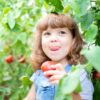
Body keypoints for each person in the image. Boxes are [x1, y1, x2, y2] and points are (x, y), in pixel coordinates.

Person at [24, 13, 94, 100]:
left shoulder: (80, 74)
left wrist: (69, 86)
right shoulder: (40, 73)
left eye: (62, 32)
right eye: (47, 34)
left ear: (73, 40)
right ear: (41, 41)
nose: (53, 39)